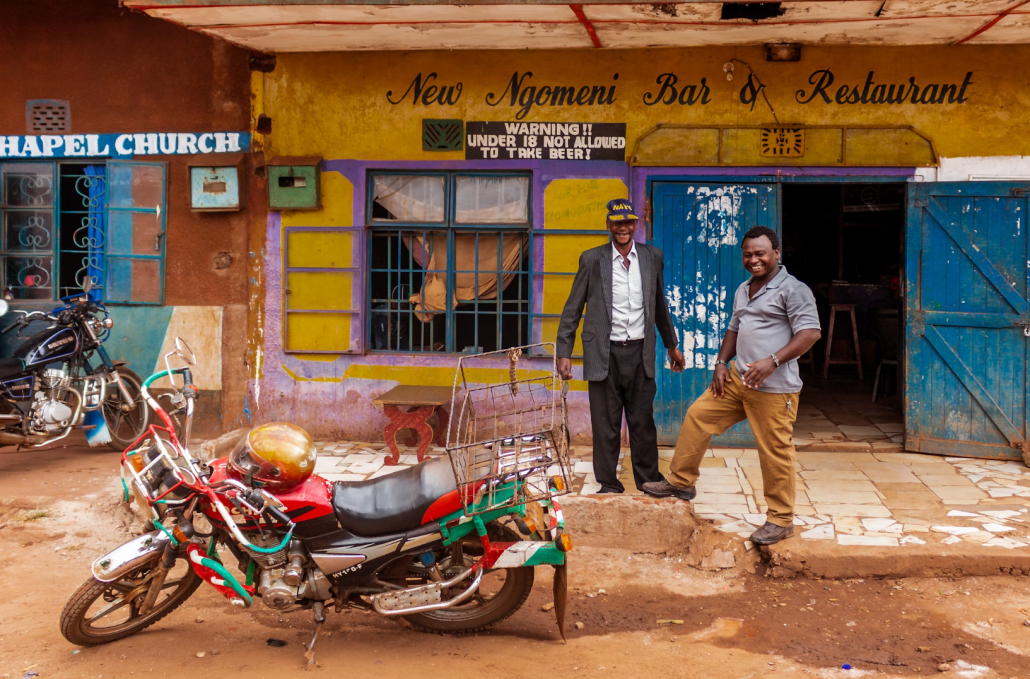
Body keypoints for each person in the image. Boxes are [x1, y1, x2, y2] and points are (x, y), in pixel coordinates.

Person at [642, 226, 821, 546]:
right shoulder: (744, 289)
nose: (754, 260)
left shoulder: (794, 289)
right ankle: (681, 482)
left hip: (775, 387)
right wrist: (721, 363)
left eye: (761, 253)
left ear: (776, 254)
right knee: (698, 415)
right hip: (739, 378)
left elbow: (810, 333)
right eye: (748, 254)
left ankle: (780, 519)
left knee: (775, 450)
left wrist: (773, 361)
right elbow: (734, 329)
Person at [556, 198, 686, 494]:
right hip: (604, 353)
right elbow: (572, 308)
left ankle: (649, 481)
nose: (623, 228)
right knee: (605, 425)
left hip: (641, 352)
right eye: (617, 223)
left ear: (636, 225)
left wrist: (671, 344)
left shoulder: (652, 256)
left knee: (642, 421)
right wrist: (564, 351)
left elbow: (659, 305)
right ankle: (609, 484)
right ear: (609, 225)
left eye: (628, 223)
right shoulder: (592, 259)